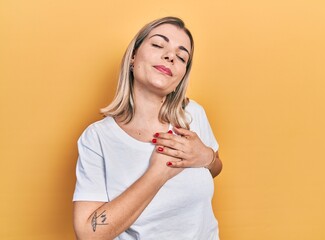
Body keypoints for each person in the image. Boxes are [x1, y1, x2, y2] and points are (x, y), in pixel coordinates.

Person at [73, 16, 223, 240]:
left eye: (182, 57)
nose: (171, 56)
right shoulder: (97, 138)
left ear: (181, 76)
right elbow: (87, 234)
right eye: (158, 45)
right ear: (133, 57)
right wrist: (157, 174)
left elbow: (215, 166)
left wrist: (206, 156)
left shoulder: (192, 115)